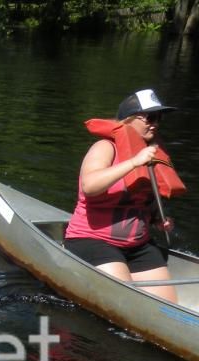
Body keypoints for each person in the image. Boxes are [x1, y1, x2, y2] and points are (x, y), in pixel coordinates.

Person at [64, 88, 186, 303]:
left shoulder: (152, 153)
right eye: (150, 117)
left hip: (139, 246)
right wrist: (133, 162)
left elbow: (141, 199)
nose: (155, 123)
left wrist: (158, 219)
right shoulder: (105, 147)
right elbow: (90, 186)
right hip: (94, 241)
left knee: (168, 306)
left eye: (159, 118)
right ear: (128, 120)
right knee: (127, 301)